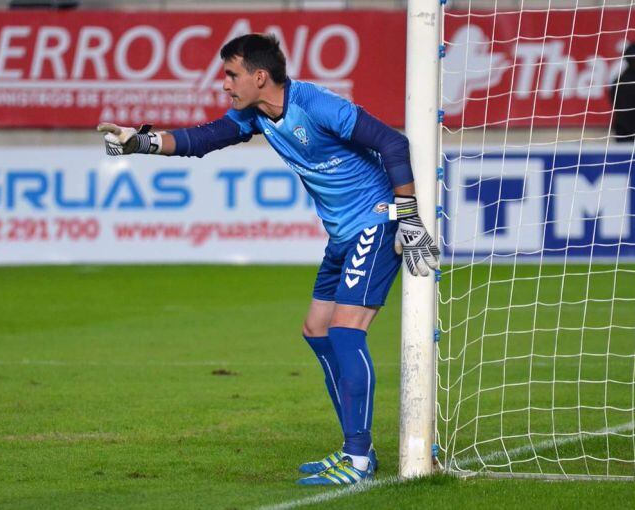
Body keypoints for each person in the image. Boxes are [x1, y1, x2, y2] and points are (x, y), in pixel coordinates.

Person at [97, 33, 439, 486]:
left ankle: (357, 459)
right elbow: (201, 139)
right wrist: (138, 142)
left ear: (260, 76)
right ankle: (354, 448)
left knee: (344, 330)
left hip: (376, 222)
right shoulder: (255, 116)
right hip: (342, 235)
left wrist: (410, 218)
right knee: (316, 329)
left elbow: (393, 144)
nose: (224, 84)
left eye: (231, 74)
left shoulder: (316, 105)